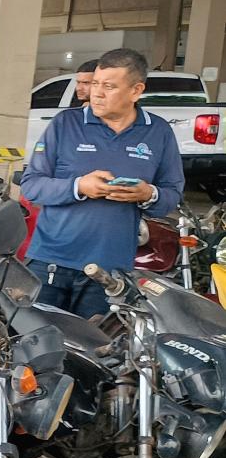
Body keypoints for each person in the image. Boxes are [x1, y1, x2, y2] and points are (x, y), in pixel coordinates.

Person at [21, 47, 183, 318]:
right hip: (51, 261)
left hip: (111, 270)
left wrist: (147, 194)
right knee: (36, 348)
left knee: (95, 353)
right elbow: (32, 186)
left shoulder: (158, 132)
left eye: (109, 86)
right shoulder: (65, 124)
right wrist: (79, 187)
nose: (97, 92)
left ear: (135, 90)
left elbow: (172, 195)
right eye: (95, 83)